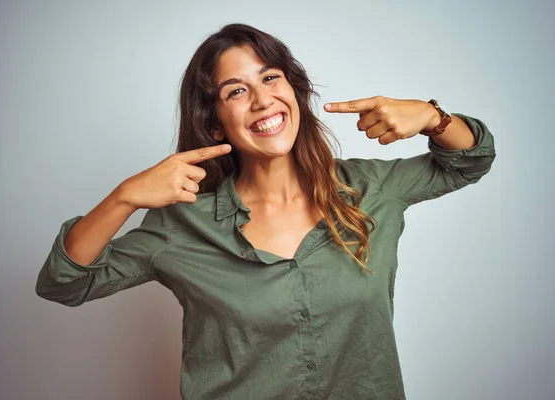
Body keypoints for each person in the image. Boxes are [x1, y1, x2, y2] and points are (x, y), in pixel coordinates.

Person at [36, 23, 496, 399]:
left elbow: (471, 160)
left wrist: (435, 118)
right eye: (236, 91)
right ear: (214, 118)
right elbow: (65, 282)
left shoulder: (371, 189)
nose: (262, 100)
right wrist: (124, 197)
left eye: (270, 77)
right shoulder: (182, 223)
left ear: (293, 91)